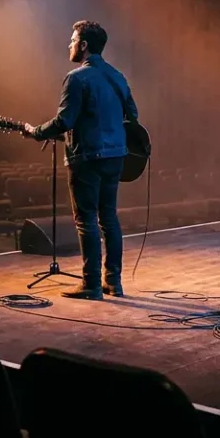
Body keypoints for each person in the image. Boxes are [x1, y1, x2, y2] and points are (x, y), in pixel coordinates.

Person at [24, 20, 139, 300]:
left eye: (73, 39)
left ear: (84, 45)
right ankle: (114, 282)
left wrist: (36, 132)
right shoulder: (118, 76)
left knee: (85, 220)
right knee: (109, 219)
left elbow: (65, 120)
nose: (70, 44)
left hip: (86, 159)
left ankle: (91, 285)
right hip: (115, 158)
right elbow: (132, 115)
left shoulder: (76, 78)